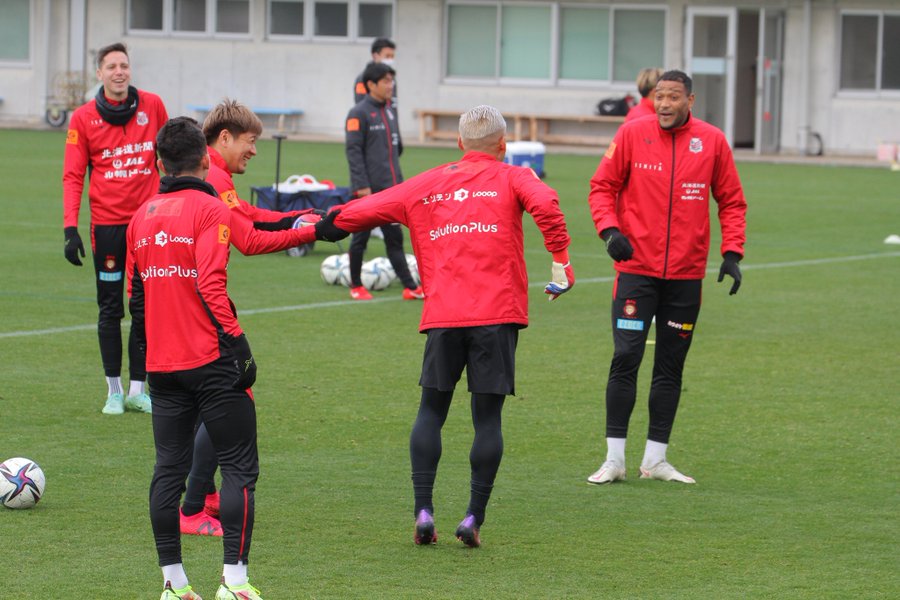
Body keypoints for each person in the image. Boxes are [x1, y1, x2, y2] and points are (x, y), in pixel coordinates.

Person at [331, 105, 575, 547]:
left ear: (459, 143)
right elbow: (546, 203)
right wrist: (560, 260)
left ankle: (424, 511)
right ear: (503, 145)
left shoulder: (428, 182)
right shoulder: (515, 177)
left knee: (431, 411)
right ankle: (472, 518)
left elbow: (365, 209)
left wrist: (318, 225)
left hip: (444, 315)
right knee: (488, 420)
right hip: (497, 316)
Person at [126, 116, 346, 600]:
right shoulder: (209, 210)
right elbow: (211, 284)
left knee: (168, 470)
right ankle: (234, 582)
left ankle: (173, 585)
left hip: (162, 366)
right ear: (205, 161)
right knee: (240, 468)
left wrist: (143, 361)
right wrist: (239, 345)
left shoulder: (140, 217)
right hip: (211, 360)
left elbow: (136, 301)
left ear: (159, 163)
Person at [176, 98, 329, 538]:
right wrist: (310, 232)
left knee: (210, 401)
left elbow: (247, 215)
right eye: (250, 140)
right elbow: (247, 239)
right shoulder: (212, 176)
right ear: (224, 138)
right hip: (201, 305)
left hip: (188, 302)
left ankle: (204, 494)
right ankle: (191, 507)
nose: (255, 150)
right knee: (230, 398)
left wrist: (296, 219)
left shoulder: (216, 176)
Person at [585, 70, 746, 486]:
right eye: (660, 96)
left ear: (690, 100)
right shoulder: (631, 134)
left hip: (685, 277)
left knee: (671, 366)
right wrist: (609, 231)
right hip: (635, 272)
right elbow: (601, 188)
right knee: (626, 359)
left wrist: (732, 252)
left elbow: (731, 200)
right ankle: (614, 460)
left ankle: (655, 460)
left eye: (673, 97)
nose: (664, 104)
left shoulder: (712, 141)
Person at [62, 42, 168, 416]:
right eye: (111, 66)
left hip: (148, 225)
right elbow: (73, 175)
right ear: (100, 73)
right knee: (110, 308)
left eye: (124, 65)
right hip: (107, 227)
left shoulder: (153, 106)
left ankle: (139, 390)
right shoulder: (82, 118)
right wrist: (70, 227)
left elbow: (170, 156)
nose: (119, 72)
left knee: (145, 307)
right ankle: (113, 391)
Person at [344, 62, 423, 301]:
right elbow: (353, 151)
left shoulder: (389, 111)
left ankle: (411, 287)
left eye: (392, 81)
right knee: (360, 239)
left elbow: (396, 150)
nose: (391, 86)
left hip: (392, 190)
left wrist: (399, 184)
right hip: (368, 190)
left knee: (395, 239)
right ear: (371, 84)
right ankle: (356, 285)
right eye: (386, 81)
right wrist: (362, 186)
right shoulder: (358, 113)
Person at [353, 37, 397, 107]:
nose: (390, 60)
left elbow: (393, 103)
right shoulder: (363, 79)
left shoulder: (391, 78)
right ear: (375, 56)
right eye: (387, 56)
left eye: (392, 56)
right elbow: (360, 103)